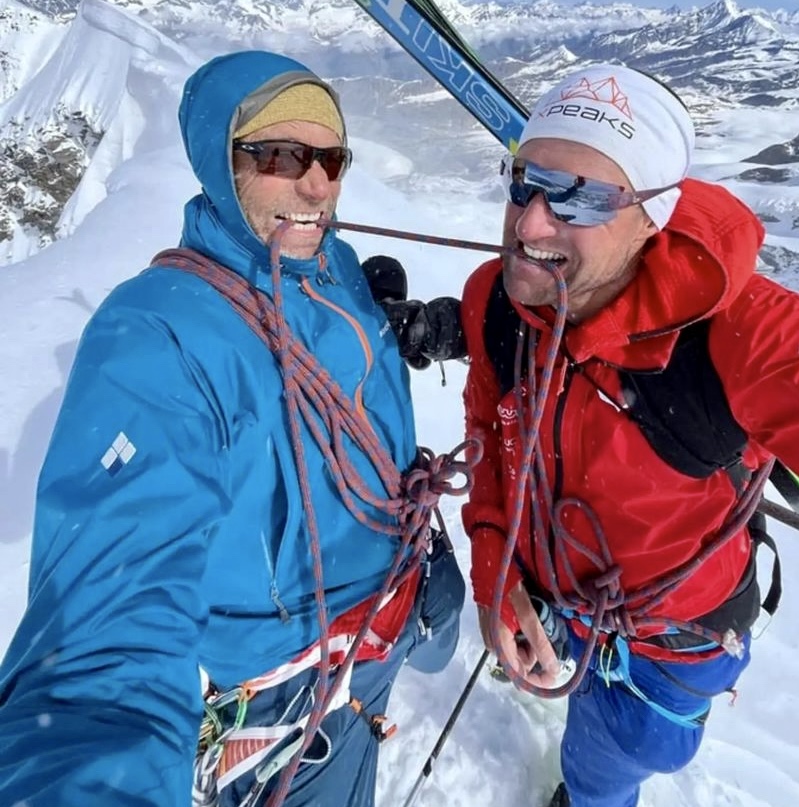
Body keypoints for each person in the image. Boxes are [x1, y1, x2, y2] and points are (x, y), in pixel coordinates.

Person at [0, 50, 470, 807]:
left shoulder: (331, 263)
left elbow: (312, 344)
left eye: (330, 157)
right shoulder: (154, 339)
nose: (315, 181)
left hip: (404, 585)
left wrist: (403, 332)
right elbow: (101, 644)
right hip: (298, 692)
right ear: (223, 161)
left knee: (431, 650)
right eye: (280, 155)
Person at [460, 64, 799, 807]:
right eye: (525, 181)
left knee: (603, 762)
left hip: (673, 640)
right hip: (551, 585)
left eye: (584, 198)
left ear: (654, 216)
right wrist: (495, 569)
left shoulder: (739, 327)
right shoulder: (495, 302)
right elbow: (488, 426)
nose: (531, 223)